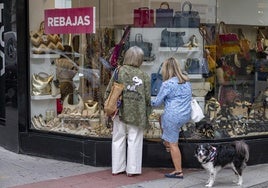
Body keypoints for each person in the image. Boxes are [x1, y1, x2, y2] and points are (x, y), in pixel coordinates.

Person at [105, 46, 151, 177]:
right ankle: (132, 169)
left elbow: (109, 90)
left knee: (118, 138)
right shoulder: (144, 76)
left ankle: (117, 168)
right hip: (137, 112)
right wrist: (147, 113)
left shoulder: (119, 71)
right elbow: (147, 98)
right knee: (134, 139)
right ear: (140, 59)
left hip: (119, 110)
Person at [151, 57, 192, 179]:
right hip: (185, 115)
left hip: (173, 116)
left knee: (173, 144)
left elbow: (156, 103)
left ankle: (178, 171)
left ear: (166, 70)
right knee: (163, 119)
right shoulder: (186, 82)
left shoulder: (167, 84)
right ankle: (168, 141)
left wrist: (145, 100)